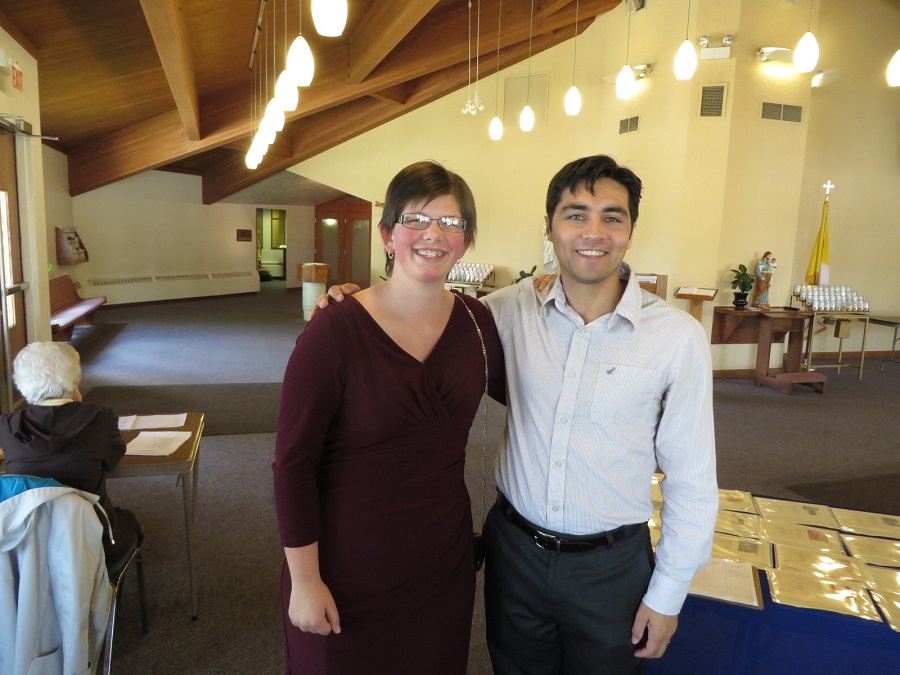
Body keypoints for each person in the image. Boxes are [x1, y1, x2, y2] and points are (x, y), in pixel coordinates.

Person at [317, 155, 718, 673]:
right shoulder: (501, 312)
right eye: (575, 215)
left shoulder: (676, 339)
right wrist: (352, 303)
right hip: (516, 556)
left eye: (611, 217)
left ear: (630, 231)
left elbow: (693, 480)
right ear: (549, 227)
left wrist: (668, 594)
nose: (593, 232)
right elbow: (420, 314)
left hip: (612, 568)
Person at [272, 161, 505, 674]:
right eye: (417, 220)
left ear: (465, 242)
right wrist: (305, 580)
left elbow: (541, 396)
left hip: (440, 558)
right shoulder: (332, 333)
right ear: (387, 236)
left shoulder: (478, 323)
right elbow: (293, 464)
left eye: (451, 222)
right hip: (346, 562)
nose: (434, 234)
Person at [0, 341, 143, 575]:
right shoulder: (100, 418)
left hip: (26, 545)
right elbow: (112, 457)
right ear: (75, 380)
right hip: (92, 541)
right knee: (129, 519)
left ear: (22, 385)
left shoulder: (7, 426)